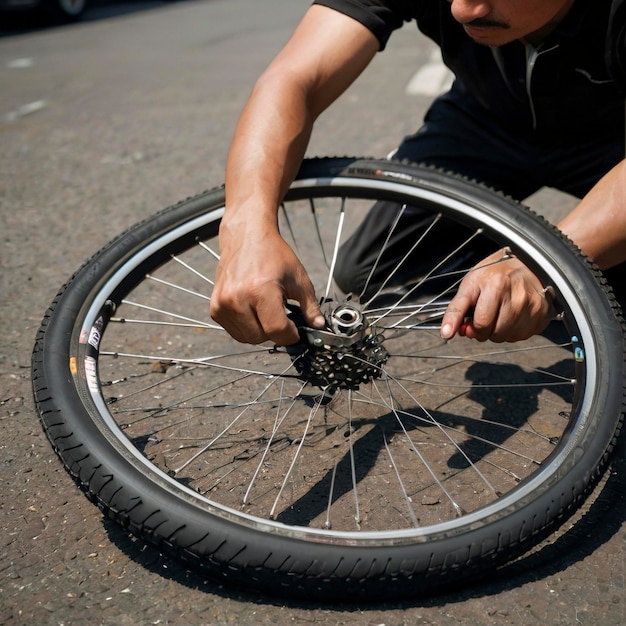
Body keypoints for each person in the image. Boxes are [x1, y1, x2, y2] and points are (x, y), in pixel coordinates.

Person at [210, 0, 626, 346]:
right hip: (488, 121)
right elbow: (295, 77)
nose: (464, 8)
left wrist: (542, 265)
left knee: (568, 270)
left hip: (613, 138)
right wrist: (246, 229)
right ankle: (502, 272)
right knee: (369, 270)